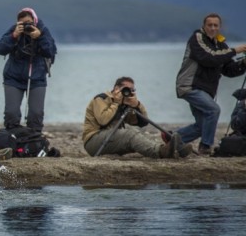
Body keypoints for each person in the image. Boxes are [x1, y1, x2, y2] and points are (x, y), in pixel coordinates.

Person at [174, 13, 246, 155]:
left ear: (220, 27)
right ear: (204, 26)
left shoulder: (220, 45)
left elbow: (228, 70)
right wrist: (234, 51)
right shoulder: (197, 38)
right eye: (210, 25)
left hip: (205, 90)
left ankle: (172, 138)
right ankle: (205, 147)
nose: (213, 28)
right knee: (213, 110)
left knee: (202, 126)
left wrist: (243, 64)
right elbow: (209, 58)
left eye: (215, 25)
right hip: (189, 86)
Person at [83, 76, 193, 159]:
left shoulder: (125, 102)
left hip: (111, 140)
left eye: (132, 89)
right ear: (116, 88)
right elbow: (103, 120)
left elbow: (142, 122)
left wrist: (137, 105)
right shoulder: (101, 99)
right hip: (94, 142)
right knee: (130, 133)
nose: (128, 92)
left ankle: (176, 150)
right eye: (126, 89)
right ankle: (160, 152)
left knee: (135, 132)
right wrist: (116, 103)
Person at [0, 7, 57, 133]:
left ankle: (34, 139)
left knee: (36, 113)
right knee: (11, 113)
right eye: (23, 23)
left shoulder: (43, 30)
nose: (27, 26)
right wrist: (13, 36)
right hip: (13, 77)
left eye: (29, 22)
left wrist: (40, 37)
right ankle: (13, 137)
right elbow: (0, 49)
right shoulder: (15, 30)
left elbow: (50, 52)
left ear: (35, 21)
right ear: (18, 23)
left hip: (37, 78)